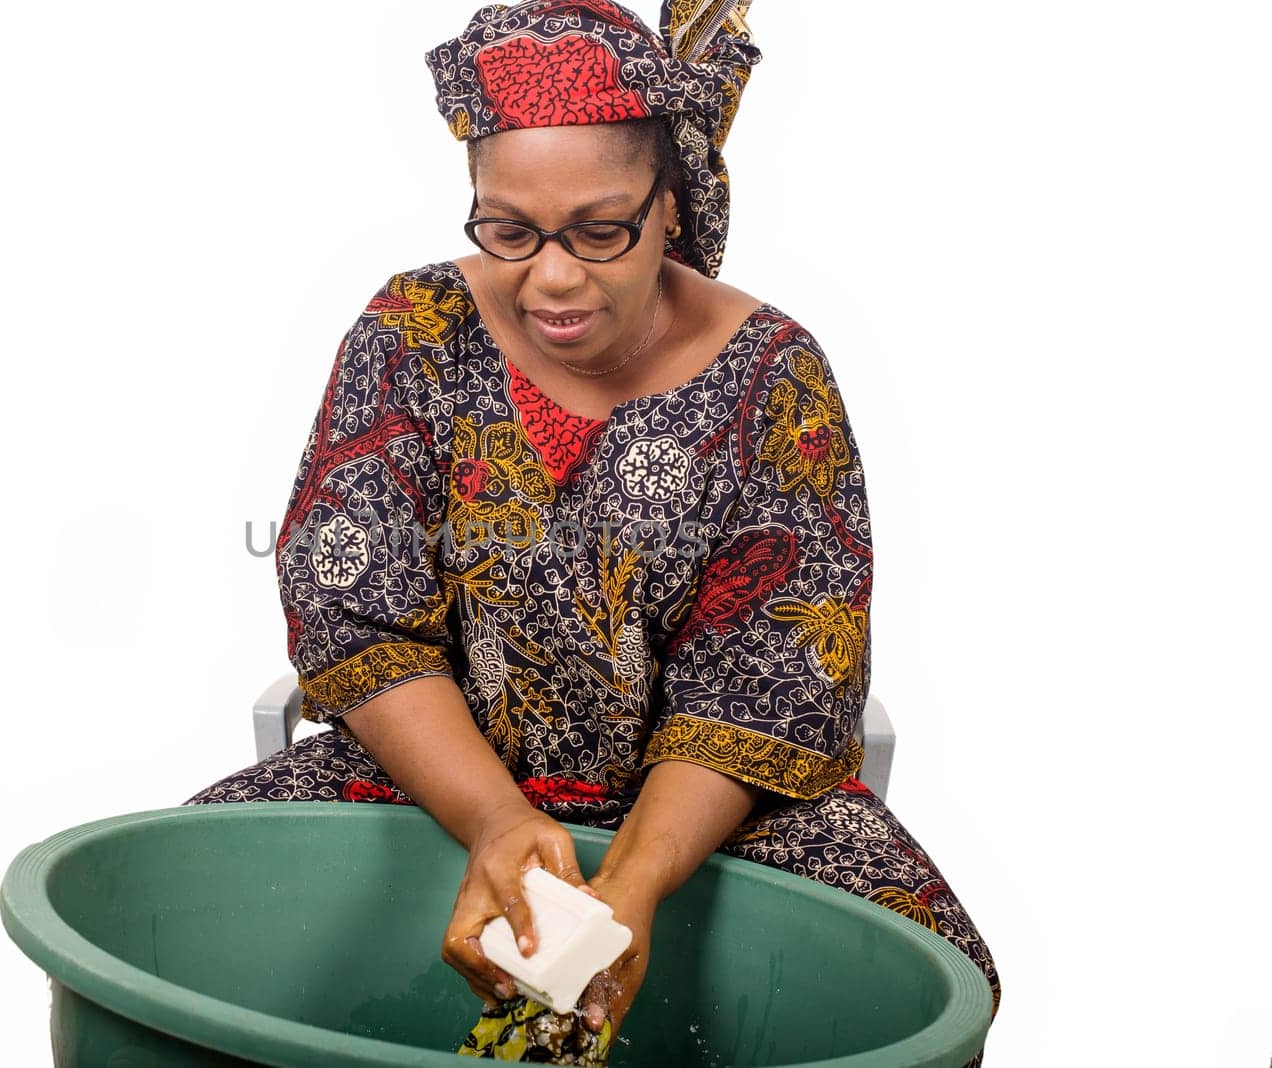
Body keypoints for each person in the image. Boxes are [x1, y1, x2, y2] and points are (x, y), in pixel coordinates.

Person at [184, 1, 1000, 1061]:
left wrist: (634, 881)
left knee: (935, 987)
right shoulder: (412, 334)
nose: (552, 277)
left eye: (599, 229)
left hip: (720, 816)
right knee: (196, 916)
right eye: (509, 230)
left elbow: (772, 674)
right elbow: (354, 618)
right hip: (438, 776)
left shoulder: (773, 378)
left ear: (670, 207)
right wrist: (492, 821)